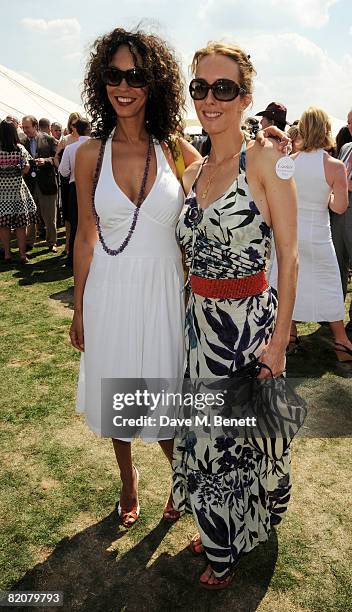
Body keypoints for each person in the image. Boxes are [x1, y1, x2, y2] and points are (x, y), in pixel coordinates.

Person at [172, 41, 298, 588]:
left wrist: (280, 341)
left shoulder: (266, 160)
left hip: (250, 330)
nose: (210, 99)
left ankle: (226, 545)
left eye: (223, 88)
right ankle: (220, 529)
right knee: (208, 440)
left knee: (247, 440)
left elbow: (289, 256)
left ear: (245, 97)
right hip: (200, 331)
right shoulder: (194, 172)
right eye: (200, 87)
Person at [69, 27, 201, 527]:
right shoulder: (89, 154)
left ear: (155, 84)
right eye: (114, 75)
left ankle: (181, 477)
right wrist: (80, 305)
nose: (124, 86)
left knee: (164, 400)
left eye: (136, 76)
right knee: (118, 395)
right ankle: (128, 483)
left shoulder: (175, 149)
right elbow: (84, 234)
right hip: (109, 290)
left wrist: (268, 152)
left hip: (165, 292)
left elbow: (224, 179)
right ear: (101, 82)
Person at [270, 107, 351, 359]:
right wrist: (326, 198)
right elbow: (340, 206)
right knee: (328, 284)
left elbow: (277, 201)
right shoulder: (335, 166)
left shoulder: (287, 163)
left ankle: (290, 336)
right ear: (325, 129)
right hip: (318, 235)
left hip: (289, 235)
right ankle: (341, 341)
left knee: (287, 283)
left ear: (303, 129)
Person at [0, 120, 37, 263]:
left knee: (3, 224)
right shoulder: (20, 148)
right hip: (18, 189)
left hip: (2, 191)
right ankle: (22, 254)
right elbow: (27, 167)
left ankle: (7, 253)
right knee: (21, 224)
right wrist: (18, 174)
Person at [22, 115, 58, 252]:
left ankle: (51, 242)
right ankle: (29, 242)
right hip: (30, 185)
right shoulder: (21, 142)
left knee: (49, 216)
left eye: (27, 127)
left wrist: (46, 161)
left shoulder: (48, 139)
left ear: (35, 126)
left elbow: (56, 158)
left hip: (46, 183)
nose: (25, 130)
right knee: (30, 215)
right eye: (23, 127)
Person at [58, 118, 91, 267]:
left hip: (76, 187)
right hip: (94, 187)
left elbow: (63, 171)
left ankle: (73, 258)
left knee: (76, 224)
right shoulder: (99, 146)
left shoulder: (71, 148)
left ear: (75, 130)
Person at [331, 135, 352, 333]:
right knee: (338, 264)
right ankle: (334, 313)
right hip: (339, 212)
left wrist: (341, 185)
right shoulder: (346, 147)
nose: (351, 126)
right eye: (349, 122)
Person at [54, 113, 81, 254]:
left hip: (83, 181)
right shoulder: (65, 140)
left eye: (77, 124)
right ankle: (68, 245)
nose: (75, 126)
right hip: (68, 181)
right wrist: (63, 170)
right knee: (69, 216)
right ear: (70, 125)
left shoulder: (86, 140)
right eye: (73, 124)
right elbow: (56, 157)